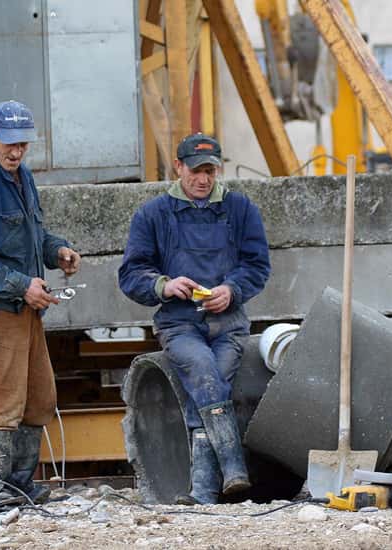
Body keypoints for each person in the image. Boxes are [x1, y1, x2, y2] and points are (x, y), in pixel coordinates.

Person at [118, 133, 270, 505]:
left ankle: (203, 492)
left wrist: (231, 290)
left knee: (207, 387)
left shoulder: (240, 209)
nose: (203, 179)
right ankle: (233, 467)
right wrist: (164, 286)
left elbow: (257, 266)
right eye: (196, 171)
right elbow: (131, 274)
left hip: (229, 325)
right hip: (179, 324)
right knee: (203, 371)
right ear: (178, 167)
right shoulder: (152, 215)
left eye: (210, 172)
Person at [0, 100, 81, 503]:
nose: (17, 151)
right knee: (1, 401)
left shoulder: (21, 177)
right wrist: (23, 286)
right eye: (9, 143)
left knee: (39, 397)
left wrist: (57, 251)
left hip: (24, 306)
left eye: (23, 144)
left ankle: (19, 483)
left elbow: (33, 234)